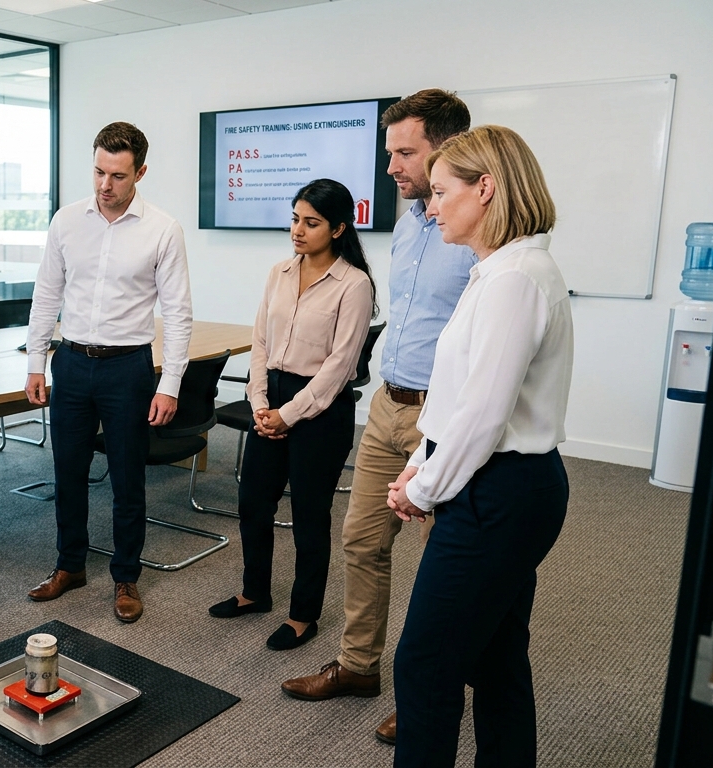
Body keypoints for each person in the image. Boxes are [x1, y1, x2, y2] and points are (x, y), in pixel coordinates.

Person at [279, 90, 477, 746]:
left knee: (443, 568)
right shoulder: (413, 221)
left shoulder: (478, 230)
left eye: (404, 152)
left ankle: (430, 696)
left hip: (442, 420)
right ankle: (360, 668)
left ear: (446, 149)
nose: (390, 165)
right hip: (389, 405)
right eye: (389, 151)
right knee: (362, 542)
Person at [388, 125, 573, 766]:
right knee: (494, 659)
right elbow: (454, 393)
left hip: (502, 491)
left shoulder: (513, 279)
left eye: (441, 191)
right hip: (497, 486)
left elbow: (486, 415)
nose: (430, 206)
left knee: (423, 666)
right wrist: (419, 464)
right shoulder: (495, 270)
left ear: (485, 187)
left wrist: (423, 487)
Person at [23, 121, 192, 624]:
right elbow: (46, 295)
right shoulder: (66, 221)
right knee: (67, 472)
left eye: (117, 175)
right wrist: (36, 361)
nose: (104, 184)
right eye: (98, 171)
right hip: (72, 362)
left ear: (139, 172)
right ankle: (69, 565)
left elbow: (178, 313)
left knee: (126, 477)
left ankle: (126, 576)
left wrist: (171, 383)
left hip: (128, 369)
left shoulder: (163, 229)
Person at [207, 179, 375, 652]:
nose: (297, 230)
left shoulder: (354, 284)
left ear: (339, 228)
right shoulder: (279, 271)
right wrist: (261, 405)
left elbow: (340, 368)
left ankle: (304, 615)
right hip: (272, 398)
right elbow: (260, 342)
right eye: (295, 219)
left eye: (311, 222)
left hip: (319, 410)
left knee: (309, 515)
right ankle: (254, 592)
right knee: (253, 503)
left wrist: (289, 414)